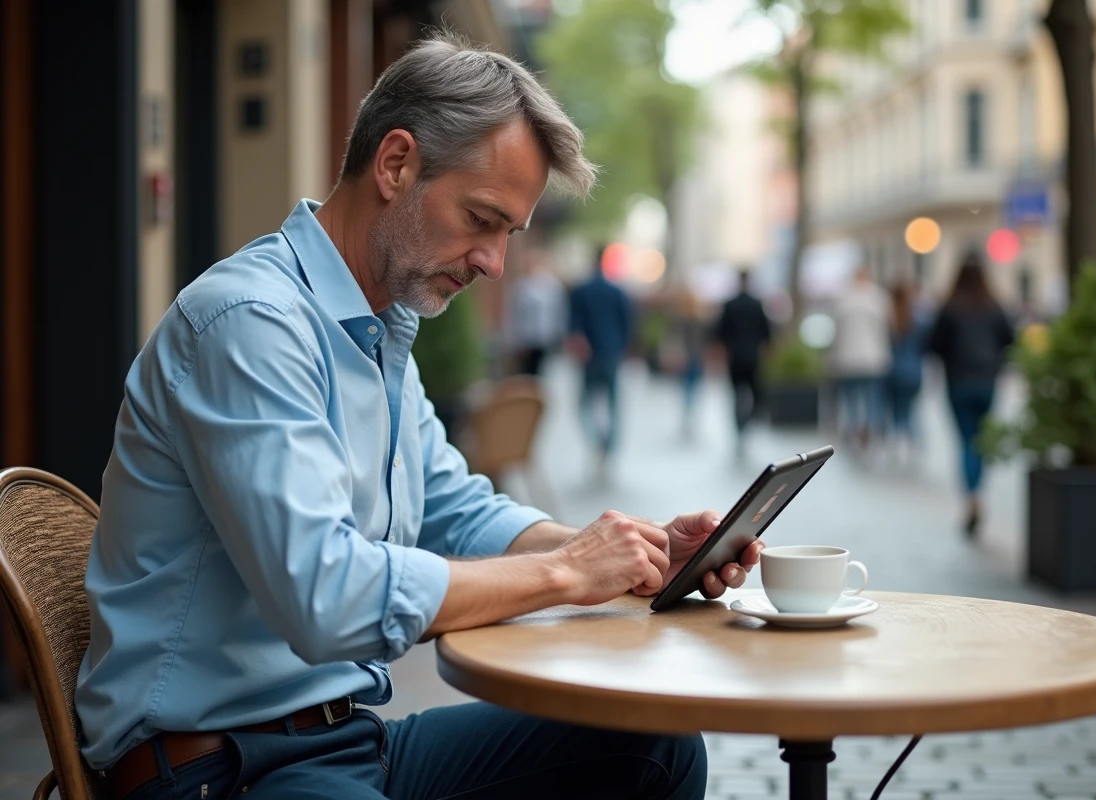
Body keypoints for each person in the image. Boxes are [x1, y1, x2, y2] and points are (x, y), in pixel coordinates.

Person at [76, 34, 761, 800]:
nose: (494, 262)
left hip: (342, 742)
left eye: (508, 233)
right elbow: (325, 596)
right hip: (214, 767)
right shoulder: (249, 322)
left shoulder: (378, 332)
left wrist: (632, 554)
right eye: (481, 218)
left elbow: (453, 509)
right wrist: (567, 572)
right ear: (396, 164)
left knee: (655, 746)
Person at [927, 254, 1015, 537]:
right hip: (986, 382)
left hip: (958, 382)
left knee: (967, 442)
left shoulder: (950, 307)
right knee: (981, 442)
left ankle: (972, 497)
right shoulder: (993, 306)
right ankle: (978, 494)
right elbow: (1010, 339)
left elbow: (933, 344)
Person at [567, 246, 634, 470]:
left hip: (589, 354)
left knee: (584, 403)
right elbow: (627, 322)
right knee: (613, 402)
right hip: (612, 351)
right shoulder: (617, 291)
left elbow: (574, 324)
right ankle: (610, 445)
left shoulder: (581, 290)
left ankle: (596, 442)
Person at [829, 266, 892, 450]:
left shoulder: (844, 297)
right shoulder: (878, 297)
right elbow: (887, 327)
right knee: (872, 399)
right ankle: (869, 432)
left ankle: (853, 432)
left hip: (847, 359)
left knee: (850, 401)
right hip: (873, 358)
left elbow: (836, 330)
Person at [714, 269, 773, 457]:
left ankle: (739, 426)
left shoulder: (729, 305)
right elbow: (767, 332)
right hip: (753, 357)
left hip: (735, 358)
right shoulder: (757, 304)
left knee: (736, 395)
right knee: (756, 395)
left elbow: (720, 332)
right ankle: (746, 423)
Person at [887, 280, 930, 460]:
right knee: (911, 409)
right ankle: (913, 442)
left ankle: (899, 442)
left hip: (893, 371)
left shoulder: (889, 318)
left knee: (897, 410)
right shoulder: (918, 318)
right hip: (914, 371)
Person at [505, 251, 566, 376]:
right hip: (527, 338)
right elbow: (514, 315)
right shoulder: (520, 287)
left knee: (543, 370)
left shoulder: (551, 285)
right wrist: (514, 339)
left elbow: (558, 311)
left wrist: (559, 333)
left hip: (545, 336)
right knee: (528, 371)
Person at [671, 286, 708, 440]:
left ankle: (687, 417)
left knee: (687, 390)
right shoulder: (697, 321)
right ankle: (689, 418)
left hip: (687, 359)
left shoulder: (681, 320)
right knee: (692, 390)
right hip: (694, 358)